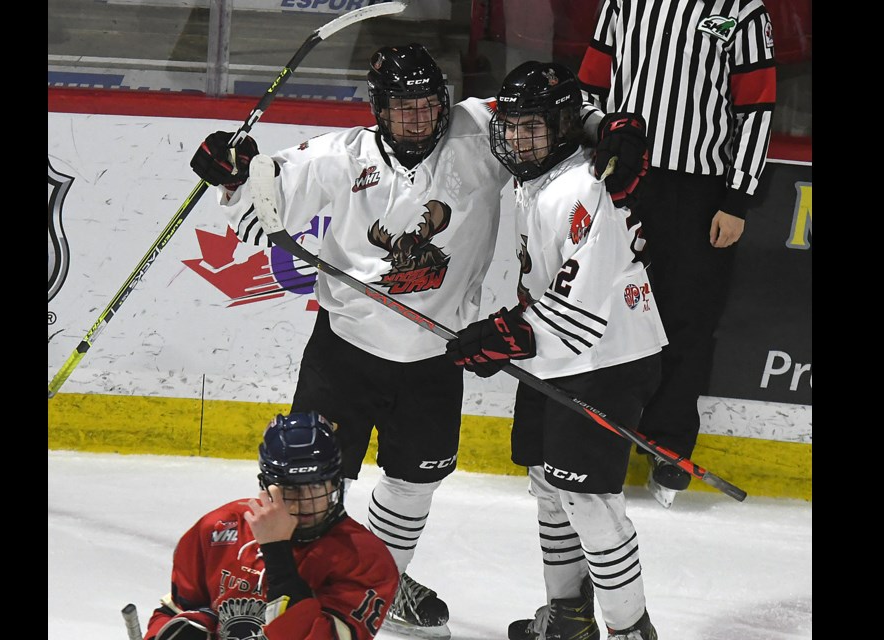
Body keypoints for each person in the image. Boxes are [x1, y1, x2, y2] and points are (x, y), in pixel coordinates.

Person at [189, 43, 648, 638]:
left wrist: (610, 126)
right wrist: (232, 171)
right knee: (308, 483)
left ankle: (378, 585)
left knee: (415, 482)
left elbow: (552, 111)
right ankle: (291, 596)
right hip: (345, 352)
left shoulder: (481, 130)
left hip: (435, 357)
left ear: (446, 103)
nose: (417, 119)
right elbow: (260, 200)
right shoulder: (340, 156)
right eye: (402, 107)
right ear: (379, 108)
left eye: (429, 105)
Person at [445, 61, 666, 640]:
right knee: (548, 481)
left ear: (563, 127)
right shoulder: (540, 172)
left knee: (588, 498)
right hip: (560, 353)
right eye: (511, 127)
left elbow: (580, 310)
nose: (518, 139)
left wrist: (504, 335)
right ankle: (568, 617)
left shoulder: (582, 186)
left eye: (533, 128)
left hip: (606, 357)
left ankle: (628, 629)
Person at [577, 0, 777, 507]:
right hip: (622, 182)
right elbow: (590, 87)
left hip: (699, 193)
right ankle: (604, 433)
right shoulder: (623, 2)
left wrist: (737, 200)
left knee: (686, 320)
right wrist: (590, 159)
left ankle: (668, 443)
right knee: (607, 312)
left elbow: (756, 107)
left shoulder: (744, 10)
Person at [142, 411, 399, 640]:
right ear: (267, 485)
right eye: (290, 489)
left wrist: (276, 552)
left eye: (316, 486)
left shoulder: (365, 559)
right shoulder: (219, 529)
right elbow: (176, 608)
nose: (304, 502)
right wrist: (175, 629)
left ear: (335, 483)